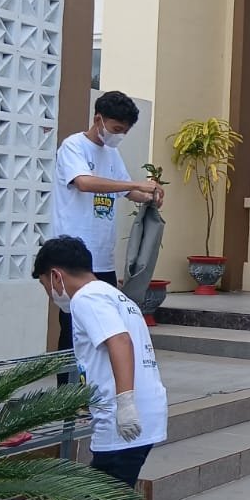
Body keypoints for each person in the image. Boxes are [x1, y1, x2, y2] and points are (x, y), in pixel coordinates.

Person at [34, 235, 169, 500]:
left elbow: (119, 343)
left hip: (125, 419)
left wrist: (124, 401)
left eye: (45, 285)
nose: (50, 294)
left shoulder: (86, 300)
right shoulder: (112, 294)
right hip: (141, 412)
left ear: (56, 275)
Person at [52, 91, 163, 350]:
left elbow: (128, 192)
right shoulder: (73, 146)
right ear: (98, 119)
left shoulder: (112, 154)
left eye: (124, 131)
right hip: (74, 255)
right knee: (74, 325)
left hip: (103, 257)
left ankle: (99, 376)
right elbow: (84, 182)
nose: (119, 135)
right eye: (116, 129)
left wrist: (150, 195)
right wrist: (135, 184)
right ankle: (69, 376)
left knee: (105, 325)